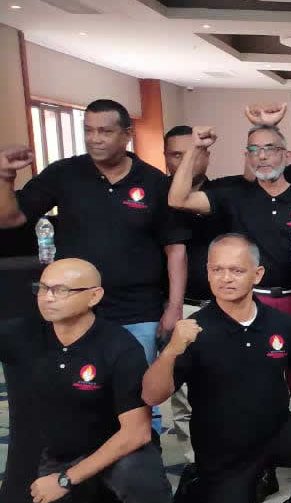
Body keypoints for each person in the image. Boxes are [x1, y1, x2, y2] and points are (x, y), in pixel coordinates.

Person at [141, 234, 291, 503]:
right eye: (217, 270)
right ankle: (196, 488)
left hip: (276, 431)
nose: (226, 278)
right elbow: (152, 396)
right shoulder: (193, 330)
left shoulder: (279, 323)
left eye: (236, 270)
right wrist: (170, 351)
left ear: (257, 275)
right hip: (223, 449)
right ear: (207, 274)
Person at [0, 99, 189, 433]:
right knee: (79, 395)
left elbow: (175, 248)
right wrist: (4, 175)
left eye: (105, 131)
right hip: (76, 312)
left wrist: (174, 307)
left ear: (127, 135)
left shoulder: (154, 182)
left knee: (139, 398)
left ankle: (141, 459)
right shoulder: (64, 173)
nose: (95, 139)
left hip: (138, 312)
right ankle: (84, 461)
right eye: (88, 130)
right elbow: (11, 218)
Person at [1, 259, 170, 503]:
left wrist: (65, 481)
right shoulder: (27, 333)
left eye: (61, 290)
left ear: (94, 296)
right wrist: (65, 475)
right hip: (61, 455)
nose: (48, 297)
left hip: (121, 453)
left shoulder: (119, 346)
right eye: (42, 288)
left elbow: (136, 433)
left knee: (139, 478)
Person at [168, 124, 291, 416]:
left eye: (269, 149)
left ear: (287, 155)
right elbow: (177, 199)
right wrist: (196, 148)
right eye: (254, 150)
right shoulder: (234, 196)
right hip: (248, 302)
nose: (261, 156)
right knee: (248, 382)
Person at [162, 125, 247, 464]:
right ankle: (196, 464)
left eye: (194, 153)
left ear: (207, 156)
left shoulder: (224, 193)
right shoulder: (157, 197)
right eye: (176, 155)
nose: (185, 161)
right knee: (183, 394)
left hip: (226, 308)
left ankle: (241, 461)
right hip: (179, 308)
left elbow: (259, 168)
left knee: (234, 388)